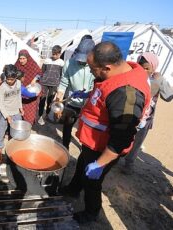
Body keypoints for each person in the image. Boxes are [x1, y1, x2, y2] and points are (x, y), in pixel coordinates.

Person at [60, 41, 151, 223]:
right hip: (92, 142)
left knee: (92, 182)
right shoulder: (115, 74)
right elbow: (105, 95)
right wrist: (88, 95)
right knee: (81, 166)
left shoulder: (126, 93)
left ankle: (91, 213)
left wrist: (100, 164)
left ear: (107, 67)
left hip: (104, 148)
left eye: (93, 69)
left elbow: (122, 138)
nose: (91, 72)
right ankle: (73, 190)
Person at [123, 52, 172, 174]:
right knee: (123, 137)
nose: (143, 70)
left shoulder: (155, 81)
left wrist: (160, 79)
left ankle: (129, 164)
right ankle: (115, 158)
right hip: (130, 115)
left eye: (147, 68)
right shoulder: (131, 76)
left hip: (145, 119)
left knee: (137, 142)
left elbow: (168, 97)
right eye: (141, 66)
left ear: (153, 68)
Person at [53, 39, 95, 150]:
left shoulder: (95, 66)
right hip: (71, 102)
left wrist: (87, 95)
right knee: (67, 127)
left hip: (89, 105)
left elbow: (97, 86)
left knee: (86, 130)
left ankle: (85, 149)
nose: (81, 62)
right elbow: (63, 83)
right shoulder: (69, 64)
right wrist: (58, 103)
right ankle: (65, 148)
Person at [0, 65, 24, 150]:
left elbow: (19, 96)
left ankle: (13, 144)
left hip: (16, 111)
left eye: (12, 79)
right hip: (5, 112)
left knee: (16, 129)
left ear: (16, 76)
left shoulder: (18, 83)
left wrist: (20, 107)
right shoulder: (2, 87)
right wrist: (7, 116)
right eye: (7, 79)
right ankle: (0, 146)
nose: (9, 81)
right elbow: (0, 104)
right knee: (2, 129)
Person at [38, 45, 64, 125]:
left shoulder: (61, 63)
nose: (54, 56)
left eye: (56, 54)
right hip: (44, 83)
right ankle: (40, 116)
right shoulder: (47, 60)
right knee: (42, 99)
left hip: (54, 84)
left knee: (50, 100)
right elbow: (42, 71)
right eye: (53, 54)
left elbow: (61, 75)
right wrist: (40, 80)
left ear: (60, 53)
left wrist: (59, 86)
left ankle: (47, 115)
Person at [15, 49, 42, 125]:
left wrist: (35, 78)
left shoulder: (33, 64)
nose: (22, 61)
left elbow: (40, 73)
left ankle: (28, 125)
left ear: (28, 58)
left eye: (24, 59)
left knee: (30, 111)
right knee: (19, 111)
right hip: (20, 92)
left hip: (31, 91)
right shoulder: (16, 65)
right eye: (20, 58)